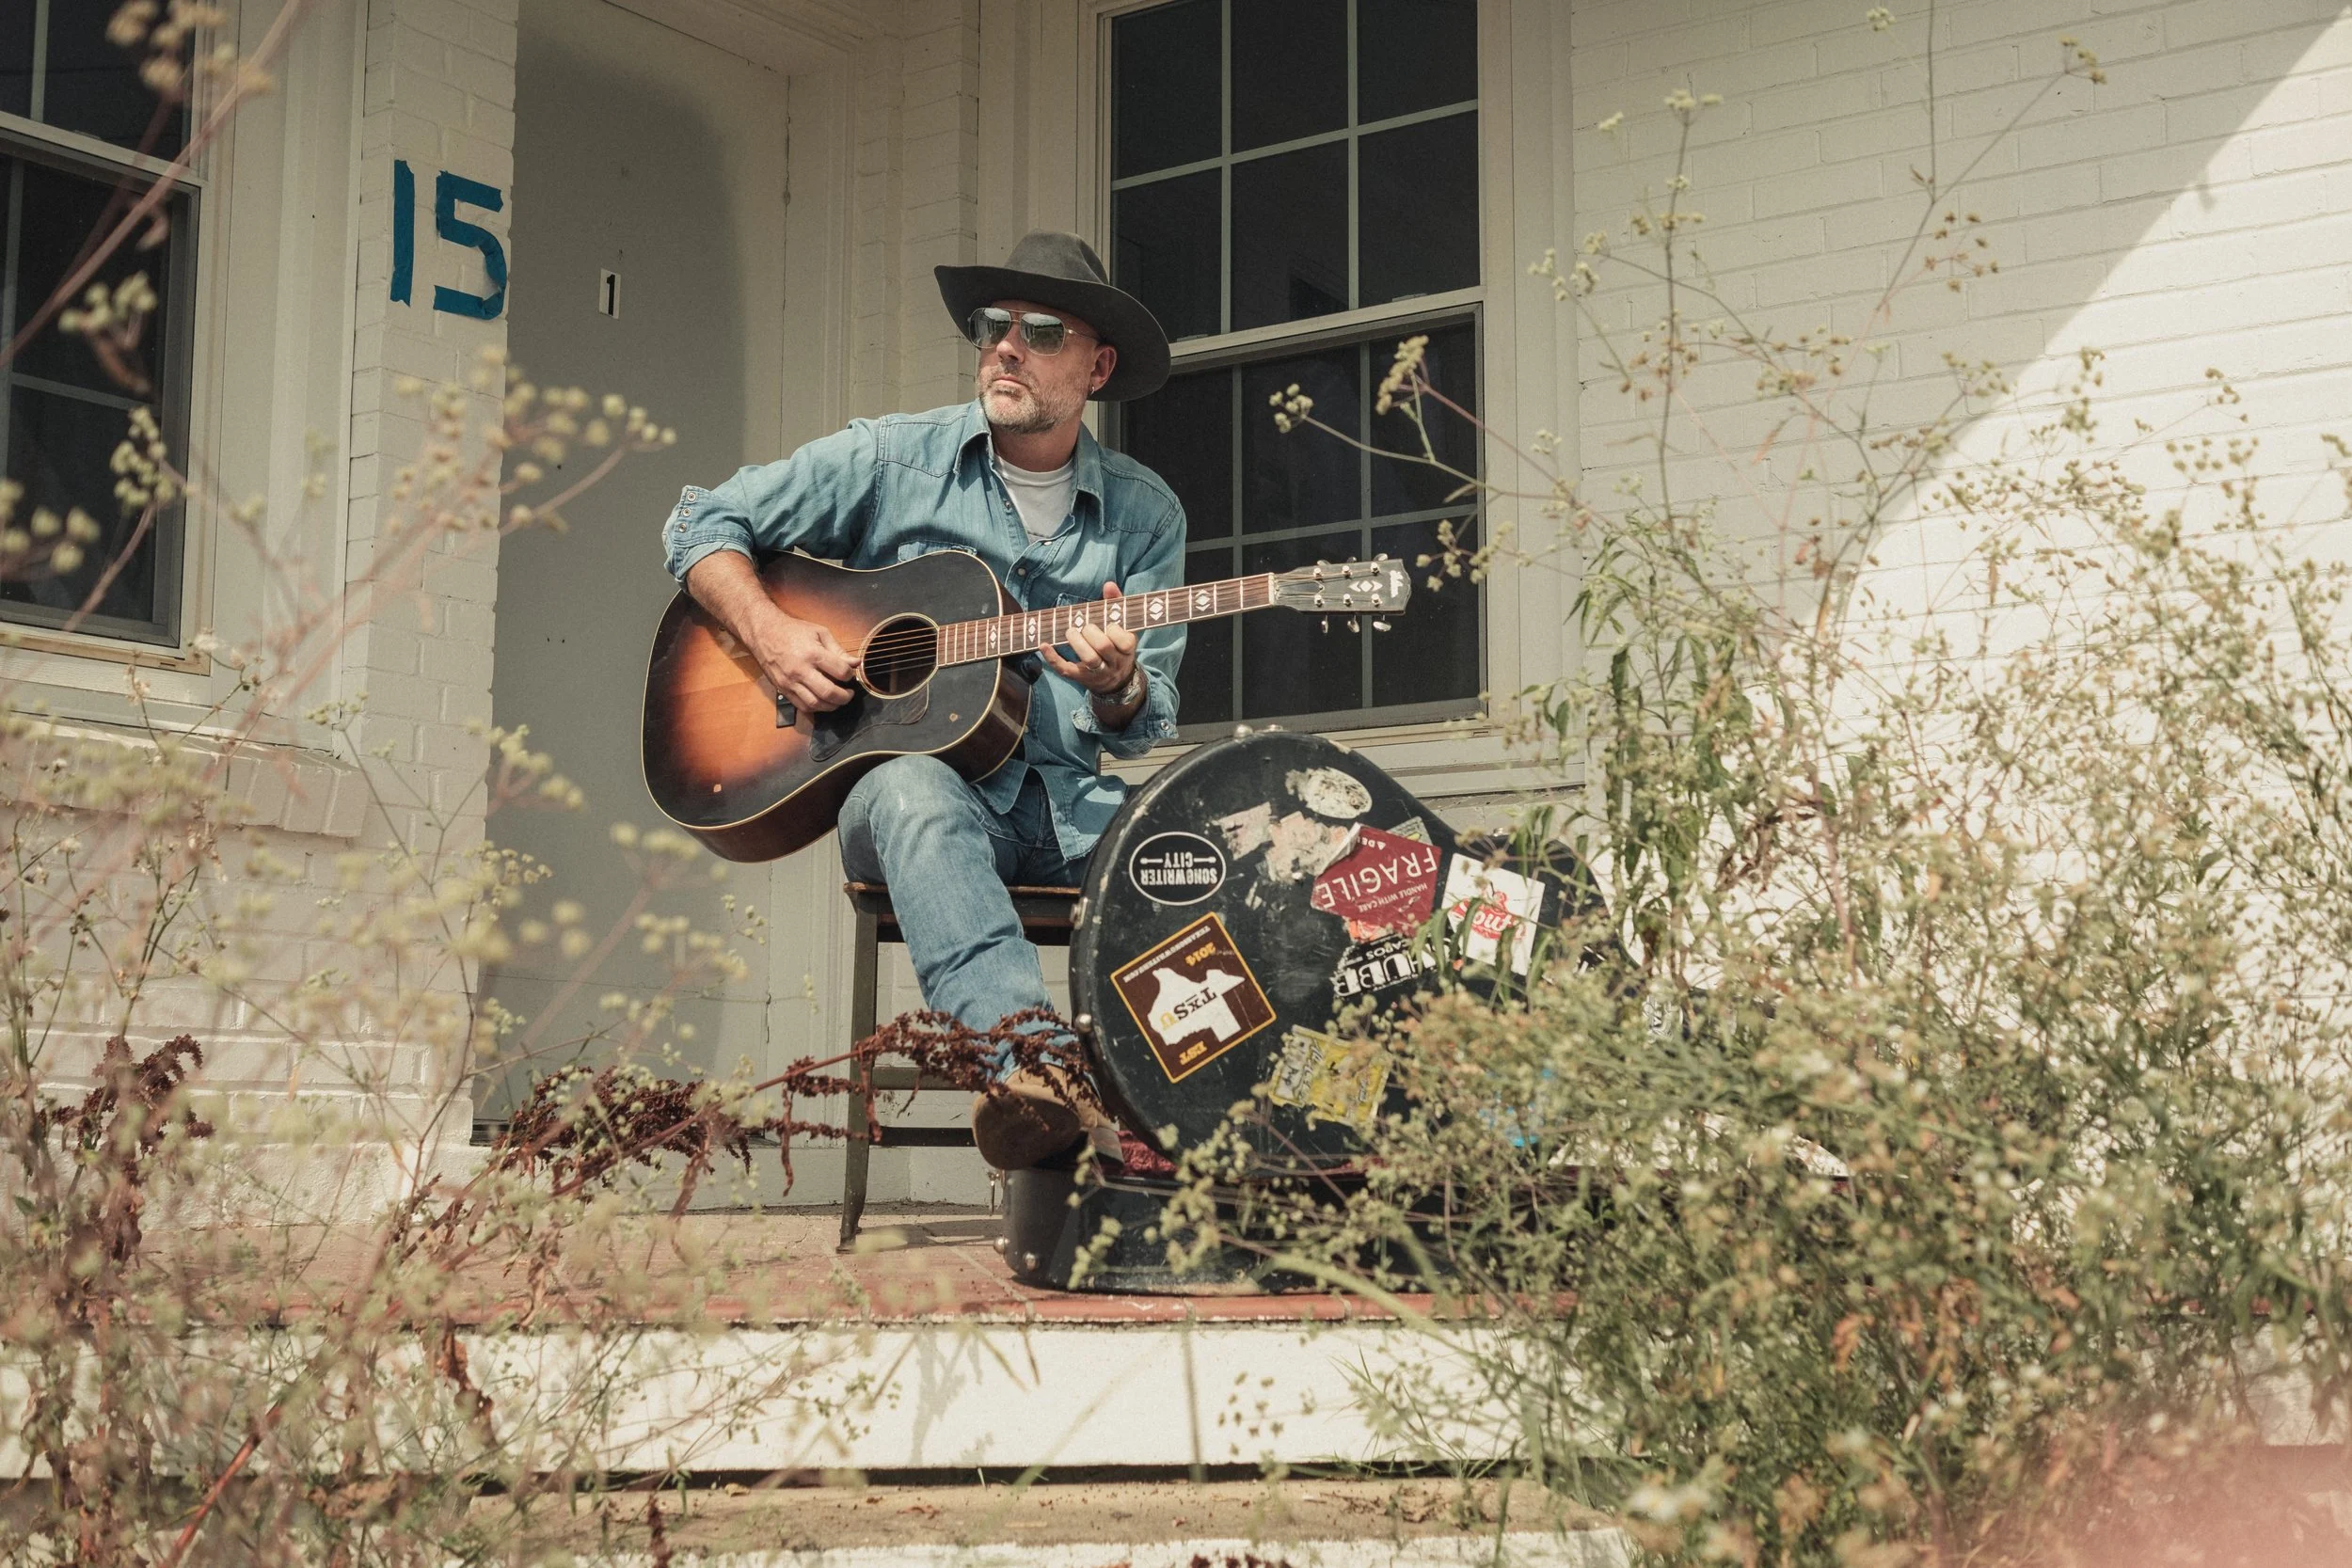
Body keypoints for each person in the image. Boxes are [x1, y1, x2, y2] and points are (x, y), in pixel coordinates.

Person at [659, 231, 1184, 1171]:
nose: (1005, 348)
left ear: (1097, 366)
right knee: (913, 791)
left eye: (1038, 331)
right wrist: (774, 638)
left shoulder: (1146, 516)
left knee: (1189, 845)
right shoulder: (890, 460)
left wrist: (1118, 683)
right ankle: (1036, 1074)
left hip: (1068, 810)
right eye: (992, 326)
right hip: (917, 804)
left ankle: (1190, 1125)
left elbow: (1150, 715)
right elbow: (701, 519)